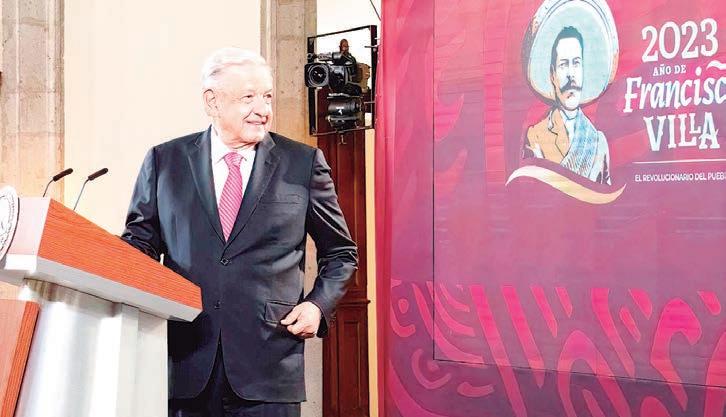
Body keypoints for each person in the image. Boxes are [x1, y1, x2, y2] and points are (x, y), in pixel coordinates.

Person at [122, 47, 358, 417]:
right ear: (212, 102)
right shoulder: (165, 161)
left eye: (267, 96)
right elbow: (139, 245)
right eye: (248, 97)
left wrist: (317, 305)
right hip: (186, 363)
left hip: (270, 362)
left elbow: (341, 253)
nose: (262, 109)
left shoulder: (302, 163)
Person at [523, 26, 611, 185]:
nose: (571, 74)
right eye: (563, 65)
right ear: (552, 74)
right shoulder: (536, 137)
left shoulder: (599, 141)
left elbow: (605, 195)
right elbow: (532, 195)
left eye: (576, 63)